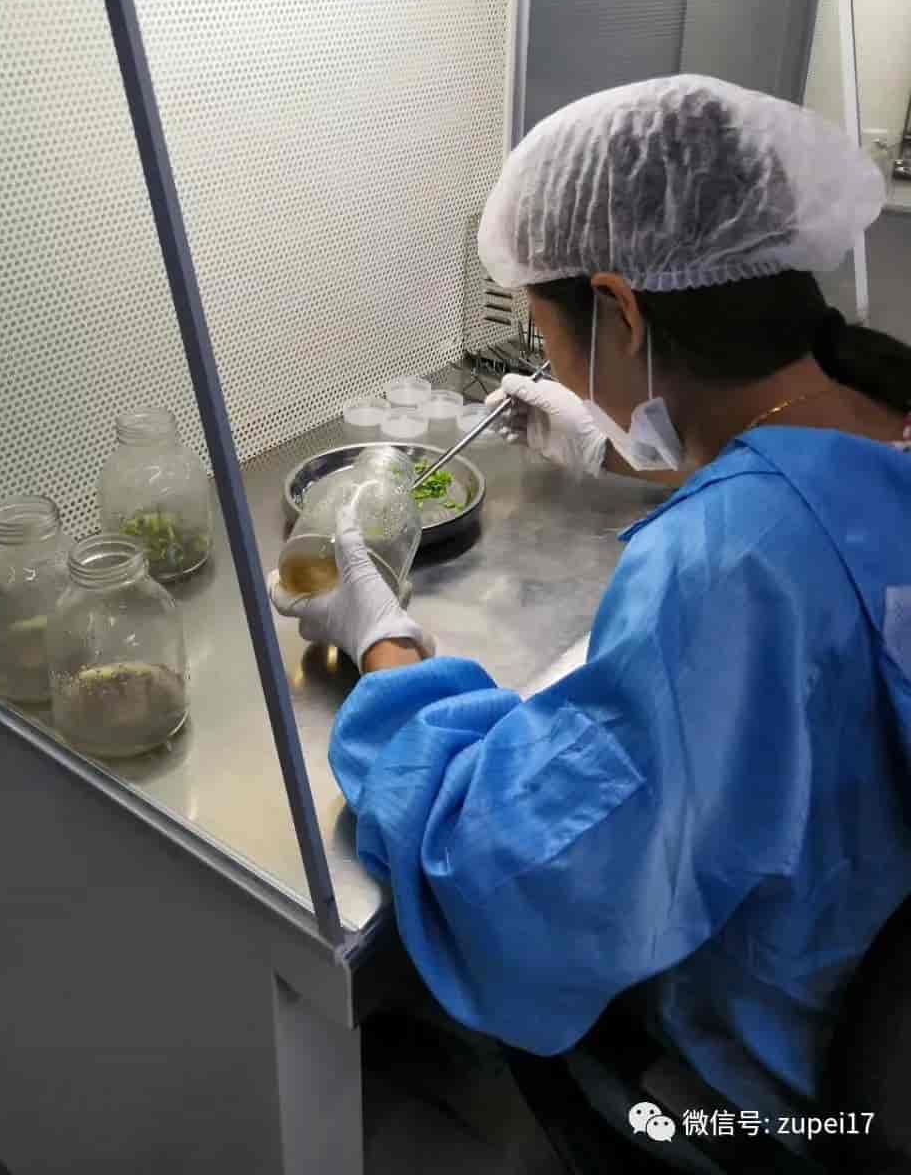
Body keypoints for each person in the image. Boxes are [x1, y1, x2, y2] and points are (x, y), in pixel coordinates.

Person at [270, 76, 911, 1166]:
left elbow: (512, 876)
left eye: (545, 330)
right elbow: (822, 512)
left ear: (619, 308)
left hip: (779, 1091)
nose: (552, 360)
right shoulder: (883, 404)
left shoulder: (726, 568)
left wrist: (383, 638)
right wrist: (637, 451)